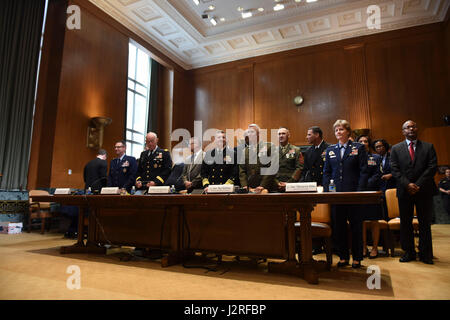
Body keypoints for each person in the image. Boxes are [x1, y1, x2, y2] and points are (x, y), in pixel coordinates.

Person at [390, 120, 438, 264]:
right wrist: (407, 184)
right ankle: (409, 252)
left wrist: (417, 185)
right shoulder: (396, 149)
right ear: (403, 131)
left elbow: (432, 167)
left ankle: (426, 254)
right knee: (406, 223)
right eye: (407, 127)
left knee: (425, 223)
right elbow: (394, 169)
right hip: (405, 191)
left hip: (424, 190)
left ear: (417, 129)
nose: (411, 129)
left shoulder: (429, 147)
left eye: (413, 126)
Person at [323, 119, 368, 268]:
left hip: (354, 193)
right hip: (336, 195)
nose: (338, 132)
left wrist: (360, 191)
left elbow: (363, 170)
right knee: (339, 226)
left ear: (348, 131)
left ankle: (357, 258)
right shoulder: (331, 150)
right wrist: (329, 192)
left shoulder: (358, 147)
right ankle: (343, 257)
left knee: (356, 226)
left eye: (341, 129)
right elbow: (327, 173)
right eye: (336, 130)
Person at [357, 135, 383, 259]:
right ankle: (363, 246)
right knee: (361, 221)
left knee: (374, 221)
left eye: (365, 141)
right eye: (360, 141)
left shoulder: (376, 157)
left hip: (372, 192)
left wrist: (366, 184)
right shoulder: (354, 157)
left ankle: (374, 248)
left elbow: (378, 174)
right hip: (360, 193)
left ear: (369, 143)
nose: (363, 143)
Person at [239, 124, 277, 193]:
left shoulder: (269, 146)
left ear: (258, 134)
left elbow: (272, 167)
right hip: (250, 188)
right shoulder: (245, 151)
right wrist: (245, 186)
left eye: (252, 132)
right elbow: (242, 170)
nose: (249, 134)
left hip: (267, 187)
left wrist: (263, 185)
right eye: (248, 132)